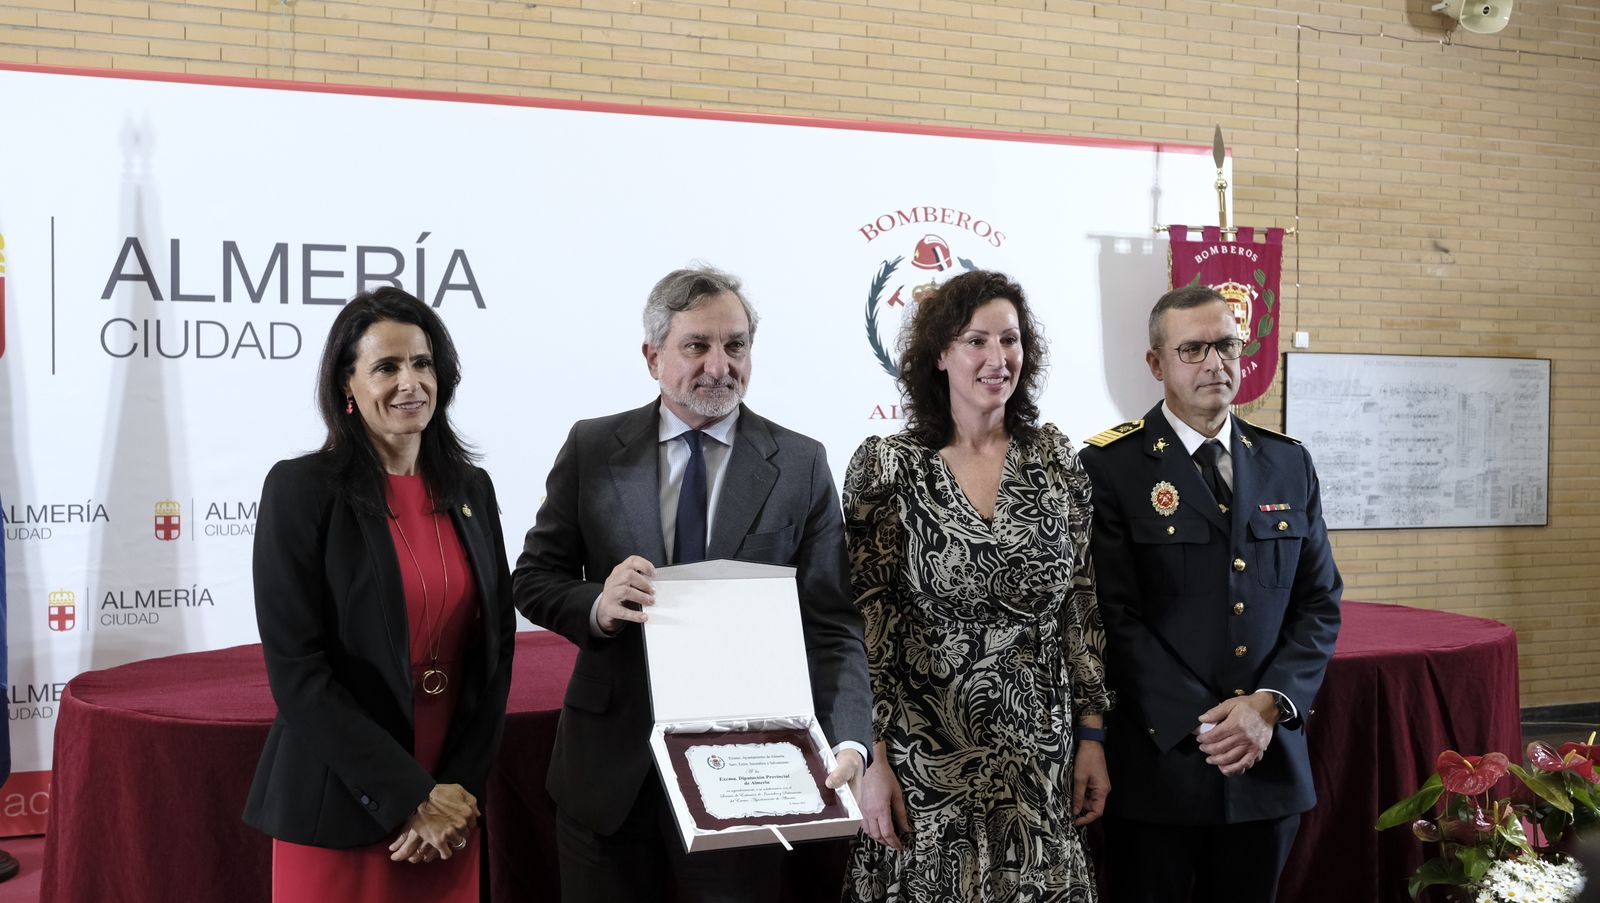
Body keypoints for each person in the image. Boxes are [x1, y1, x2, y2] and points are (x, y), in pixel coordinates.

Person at [512, 264, 872, 902]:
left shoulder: (800, 464)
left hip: (748, 778)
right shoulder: (594, 448)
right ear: (652, 357)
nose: (718, 365)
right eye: (696, 346)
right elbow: (535, 578)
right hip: (607, 779)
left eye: (735, 345)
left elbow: (829, 621)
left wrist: (849, 736)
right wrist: (596, 603)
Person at [842, 270, 1113, 902]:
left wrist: (1092, 737)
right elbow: (866, 624)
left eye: (1010, 340)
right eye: (976, 340)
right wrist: (872, 760)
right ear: (939, 354)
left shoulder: (1055, 462)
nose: (998, 358)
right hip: (922, 764)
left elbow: (1079, 609)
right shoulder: (889, 467)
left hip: (1038, 761)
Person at [244, 287, 516, 902]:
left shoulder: (474, 488)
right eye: (386, 367)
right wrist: (410, 797)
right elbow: (298, 675)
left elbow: (496, 655)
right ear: (348, 384)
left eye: (422, 363)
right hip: (344, 799)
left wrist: (454, 794)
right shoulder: (301, 491)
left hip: (451, 810)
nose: (410, 382)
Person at [1077, 284, 1342, 903]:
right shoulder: (1110, 467)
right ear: (1156, 364)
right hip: (1160, 764)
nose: (1214, 364)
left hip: (1266, 760)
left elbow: (1319, 602)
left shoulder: (1287, 462)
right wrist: (1208, 727)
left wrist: (1267, 707)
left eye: (1226, 346)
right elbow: (1111, 615)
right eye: (1192, 349)